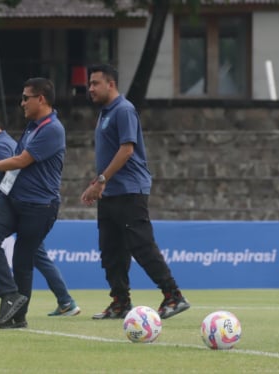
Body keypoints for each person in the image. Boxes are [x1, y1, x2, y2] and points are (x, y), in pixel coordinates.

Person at [80, 64, 190, 320]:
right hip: (110, 193)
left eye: (96, 83)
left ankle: (174, 296)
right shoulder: (105, 113)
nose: (90, 88)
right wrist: (99, 183)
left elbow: (127, 149)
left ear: (111, 84)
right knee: (111, 251)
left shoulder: (123, 110)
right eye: (90, 83)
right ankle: (120, 302)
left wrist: (101, 179)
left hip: (129, 190)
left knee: (141, 246)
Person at [0, 107, 80, 318]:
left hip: (17, 208)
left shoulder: (0, 147)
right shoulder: (5, 143)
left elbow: (13, 174)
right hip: (21, 207)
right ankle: (66, 301)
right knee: (36, 257)